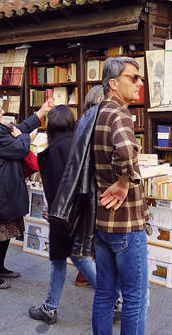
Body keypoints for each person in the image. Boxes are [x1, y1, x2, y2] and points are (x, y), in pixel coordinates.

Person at [91, 57, 150, 335]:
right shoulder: (119, 114)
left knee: (104, 293)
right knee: (134, 298)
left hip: (102, 219)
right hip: (126, 222)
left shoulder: (96, 112)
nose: (140, 83)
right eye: (134, 78)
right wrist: (125, 181)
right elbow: (126, 151)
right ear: (113, 84)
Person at [0, 94, 54, 289]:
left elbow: (21, 129)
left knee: (8, 227)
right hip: (0, 187)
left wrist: (42, 111)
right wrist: (23, 137)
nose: (2, 111)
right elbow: (20, 147)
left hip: (4, 184)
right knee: (2, 228)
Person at [29, 105, 98, 324]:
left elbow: (55, 187)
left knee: (73, 259)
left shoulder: (49, 154)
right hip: (84, 210)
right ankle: (50, 306)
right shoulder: (81, 145)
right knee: (71, 258)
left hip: (63, 215)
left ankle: (115, 298)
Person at [74, 84, 104, 288]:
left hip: (84, 185)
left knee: (88, 233)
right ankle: (93, 275)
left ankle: (85, 274)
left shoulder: (81, 121)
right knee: (95, 234)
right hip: (95, 184)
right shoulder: (98, 121)